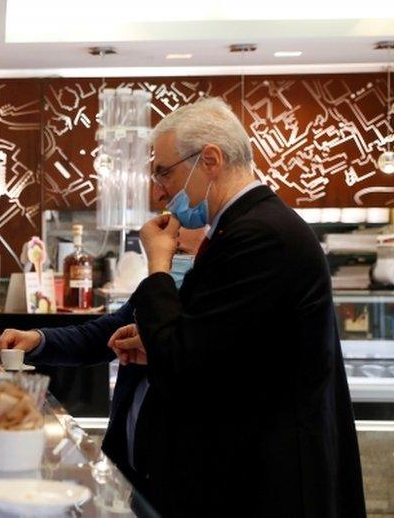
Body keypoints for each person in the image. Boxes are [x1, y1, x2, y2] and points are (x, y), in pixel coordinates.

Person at [111, 98, 364, 516]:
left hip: (267, 484)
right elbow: (225, 347)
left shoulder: (259, 235)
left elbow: (182, 361)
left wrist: (158, 264)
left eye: (164, 172)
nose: (159, 191)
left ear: (209, 159)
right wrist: (154, 342)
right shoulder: (243, 227)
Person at [0, 228, 205, 493]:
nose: (169, 254)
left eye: (179, 253)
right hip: (128, 471)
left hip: (177, 478)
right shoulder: (154, 292)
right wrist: (38, 339)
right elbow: (96, 337)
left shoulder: (212, 303)